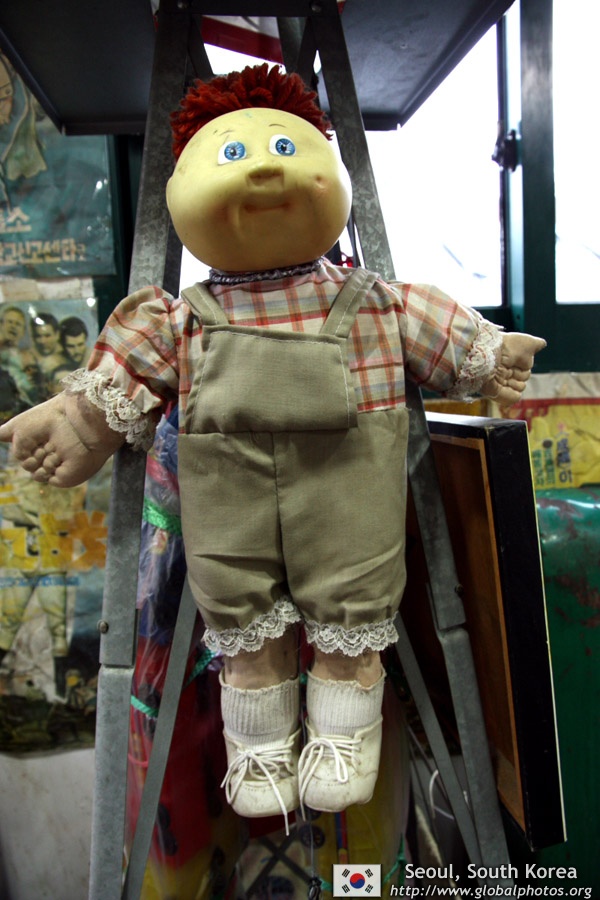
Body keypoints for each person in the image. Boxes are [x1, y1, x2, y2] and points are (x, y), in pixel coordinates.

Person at [0, 64, 546, 827]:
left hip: (348, 499)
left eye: (286, 148)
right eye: (231, 155)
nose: (261, 168)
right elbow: (122, 378)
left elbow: (451, 341)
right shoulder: (176, 319)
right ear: (178, 187)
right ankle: (257, 744)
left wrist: (492, 355)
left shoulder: (377, 304)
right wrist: (76, 422)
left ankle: (344, 736)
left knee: (354, 613)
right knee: (241, 620)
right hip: (231, 507)